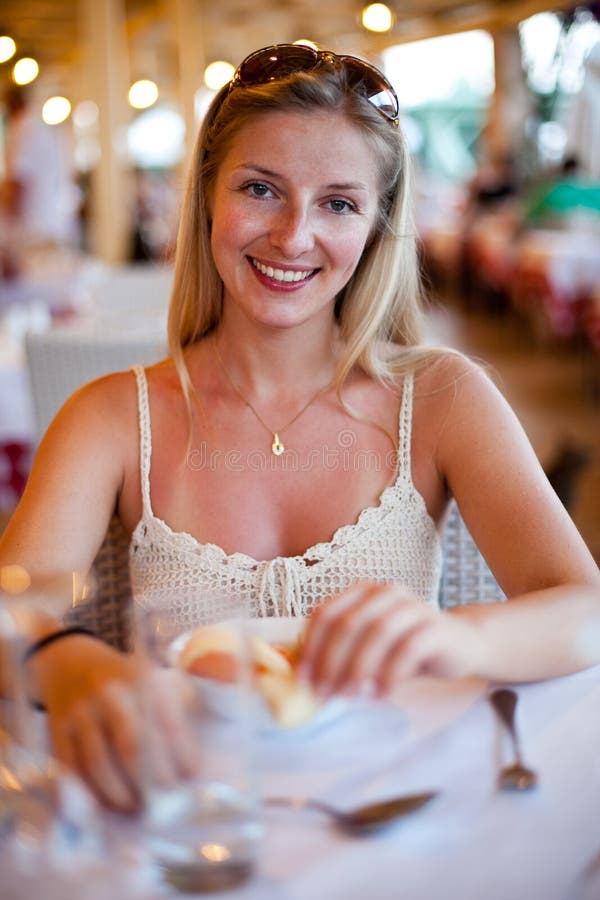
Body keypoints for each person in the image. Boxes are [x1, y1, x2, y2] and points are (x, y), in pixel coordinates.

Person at [1, 44, 599, 812]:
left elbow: (581, 607)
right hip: (196, 824)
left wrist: (458, 640)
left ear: (378, 224)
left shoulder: (445, 396)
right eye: (260, 189)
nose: (292, 236)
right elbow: (11, 617)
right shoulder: (113, 417)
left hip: (398, 817)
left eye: (339, 203)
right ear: (206, 200)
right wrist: (70, 662)